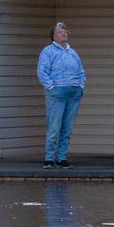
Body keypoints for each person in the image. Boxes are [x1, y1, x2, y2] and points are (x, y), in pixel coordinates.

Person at [36, 22, 86, 169]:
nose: (63, 33)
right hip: (57, 93)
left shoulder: (73, 53)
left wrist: (80, 86)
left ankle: (62, 158)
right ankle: (49, 158)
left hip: (74, 93)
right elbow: (42, 71)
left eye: (65, 31)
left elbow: (81, 71)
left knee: (67, 127)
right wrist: (51, 87)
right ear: (53, 36)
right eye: (59, 32)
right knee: (54, 126)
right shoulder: (48, 51)